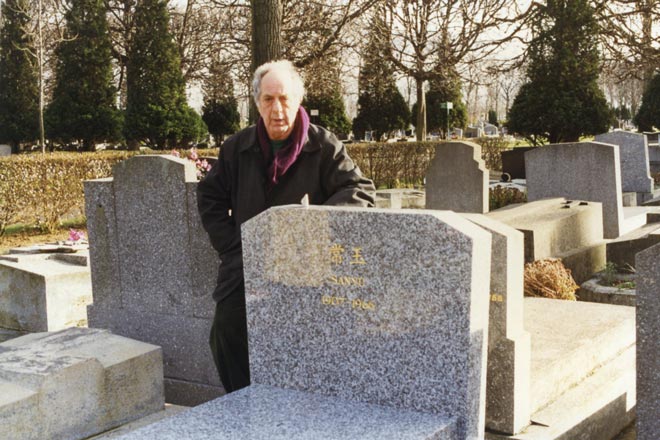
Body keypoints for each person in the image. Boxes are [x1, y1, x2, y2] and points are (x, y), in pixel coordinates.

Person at [197, 59, 375, 393]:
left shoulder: (323, 145)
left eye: (284, 99)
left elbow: (360, 190)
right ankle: (245, 403)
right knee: (226, 330)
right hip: (249, 263)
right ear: (257, 103)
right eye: (268, 99)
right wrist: (233, 245)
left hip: (306, 268)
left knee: (311, 340)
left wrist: (313, 226)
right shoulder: (236, 147)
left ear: (298, 101)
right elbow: (209, 196)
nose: (277, 109)